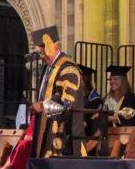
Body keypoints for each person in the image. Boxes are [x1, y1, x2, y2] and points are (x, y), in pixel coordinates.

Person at [29, 26, 86, 158]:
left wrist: (42, 105)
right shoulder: (49, 67)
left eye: (43, 53)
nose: (42, 57)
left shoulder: (68, 69)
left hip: (62, 131)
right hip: (46, 126)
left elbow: (67, 102)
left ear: (54, 47)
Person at [77, 64, 102, 136]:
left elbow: (93, 118)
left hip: (89, 132)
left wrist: (85, 122)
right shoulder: (76, 95)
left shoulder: (95, 99)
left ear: (85, 81)